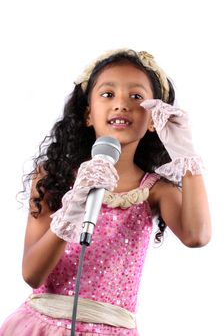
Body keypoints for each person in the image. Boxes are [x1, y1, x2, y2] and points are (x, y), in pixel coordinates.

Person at [0, 48, 211, 336]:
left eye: (136, 97)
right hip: (41, 325)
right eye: (108, 94)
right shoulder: (54, 177)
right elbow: (32, 274)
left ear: (152, 120)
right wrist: (75, 204)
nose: (121, 104)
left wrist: (187, 157)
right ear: (88, 114)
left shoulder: (153, 190)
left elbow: (197, 235)